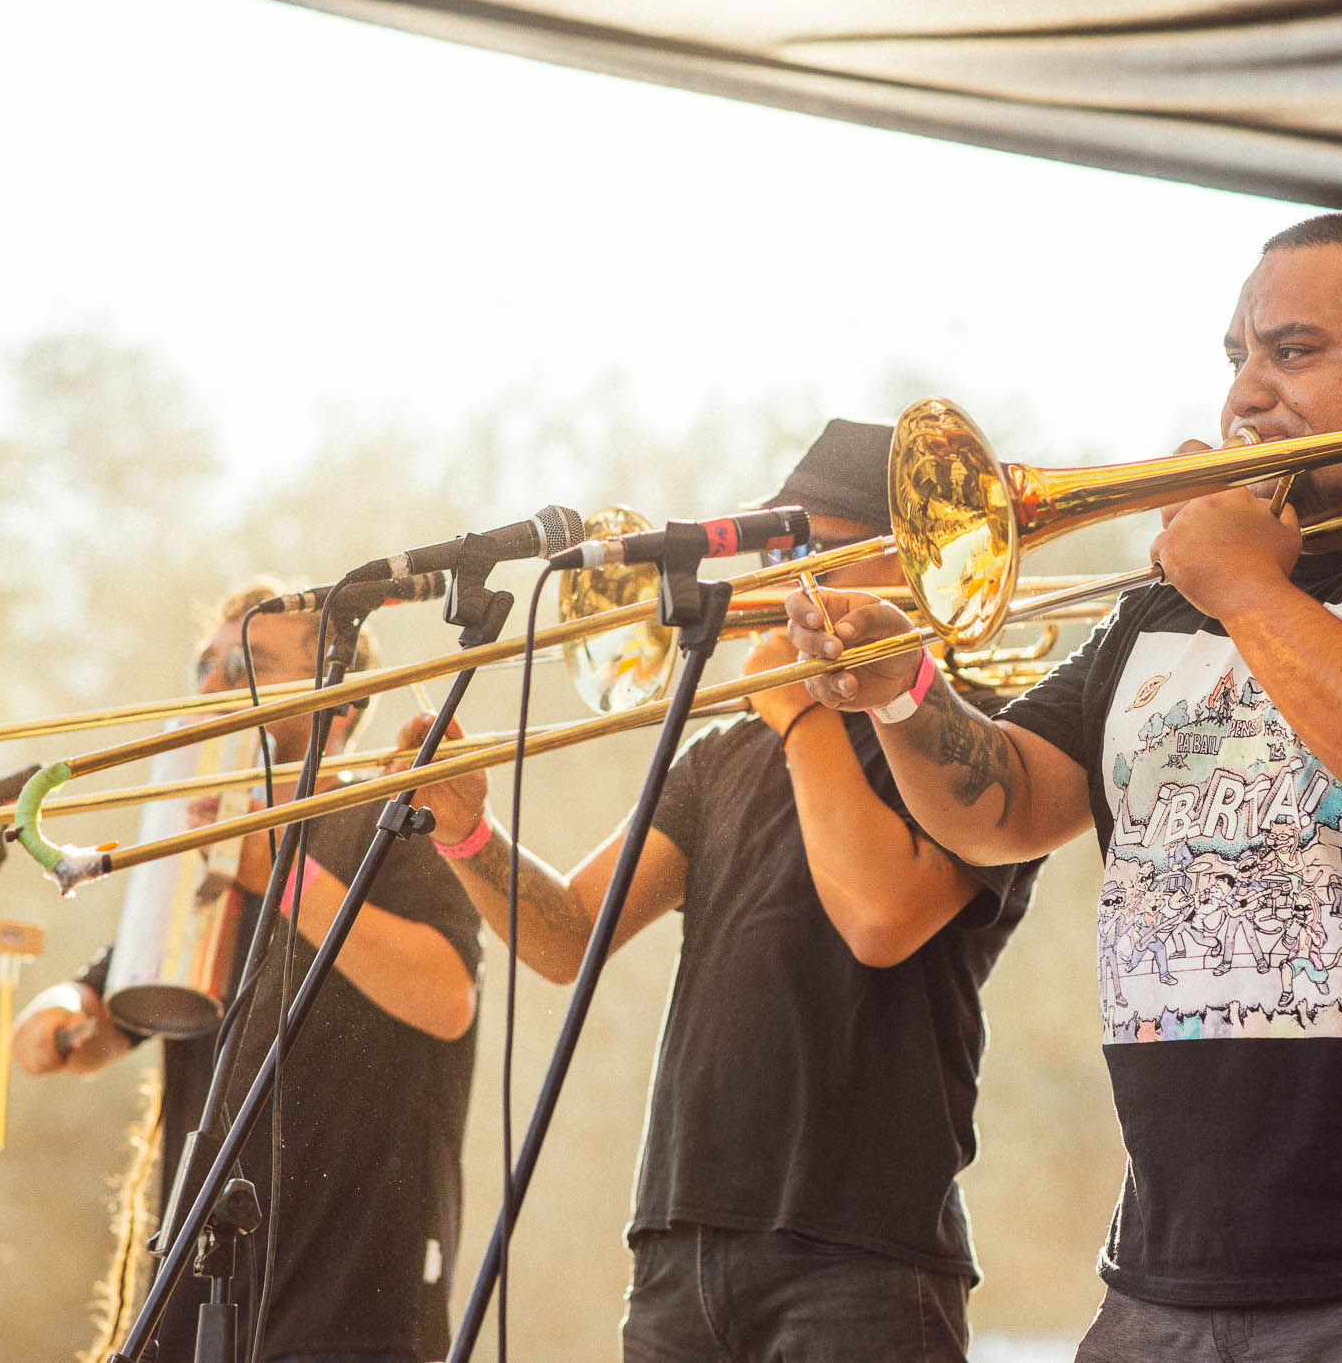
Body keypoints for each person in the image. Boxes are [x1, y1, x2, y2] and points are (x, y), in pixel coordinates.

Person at [788, 213, 1342, 1362]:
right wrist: (900, 692)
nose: (1246, 390)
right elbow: (1002, 810)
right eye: (1236, 356)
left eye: (1292, 351)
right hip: (1166, 1273)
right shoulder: (1163, 602)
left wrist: (1246, 588)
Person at [399, 419, 1044, 1362]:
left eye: (818, 550)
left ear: (913, 565)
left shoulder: (972, 737)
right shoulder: (721, 755)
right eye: (781, 553)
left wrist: (798, 710)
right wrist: (467, 833)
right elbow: (569, 936)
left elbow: (880, 915)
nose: (791, 582)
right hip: (678, 1241)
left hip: (861, 1253)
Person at [10, 581, 483, 1363]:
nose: (216, 686)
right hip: (201, 1304)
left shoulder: (396, 813)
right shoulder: (201, 829)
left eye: (249, 665)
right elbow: (108, 1017)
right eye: (208, 664)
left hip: (351, 1306)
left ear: (339, 701)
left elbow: (446, 996)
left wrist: (276, 871)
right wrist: (58, 1013)